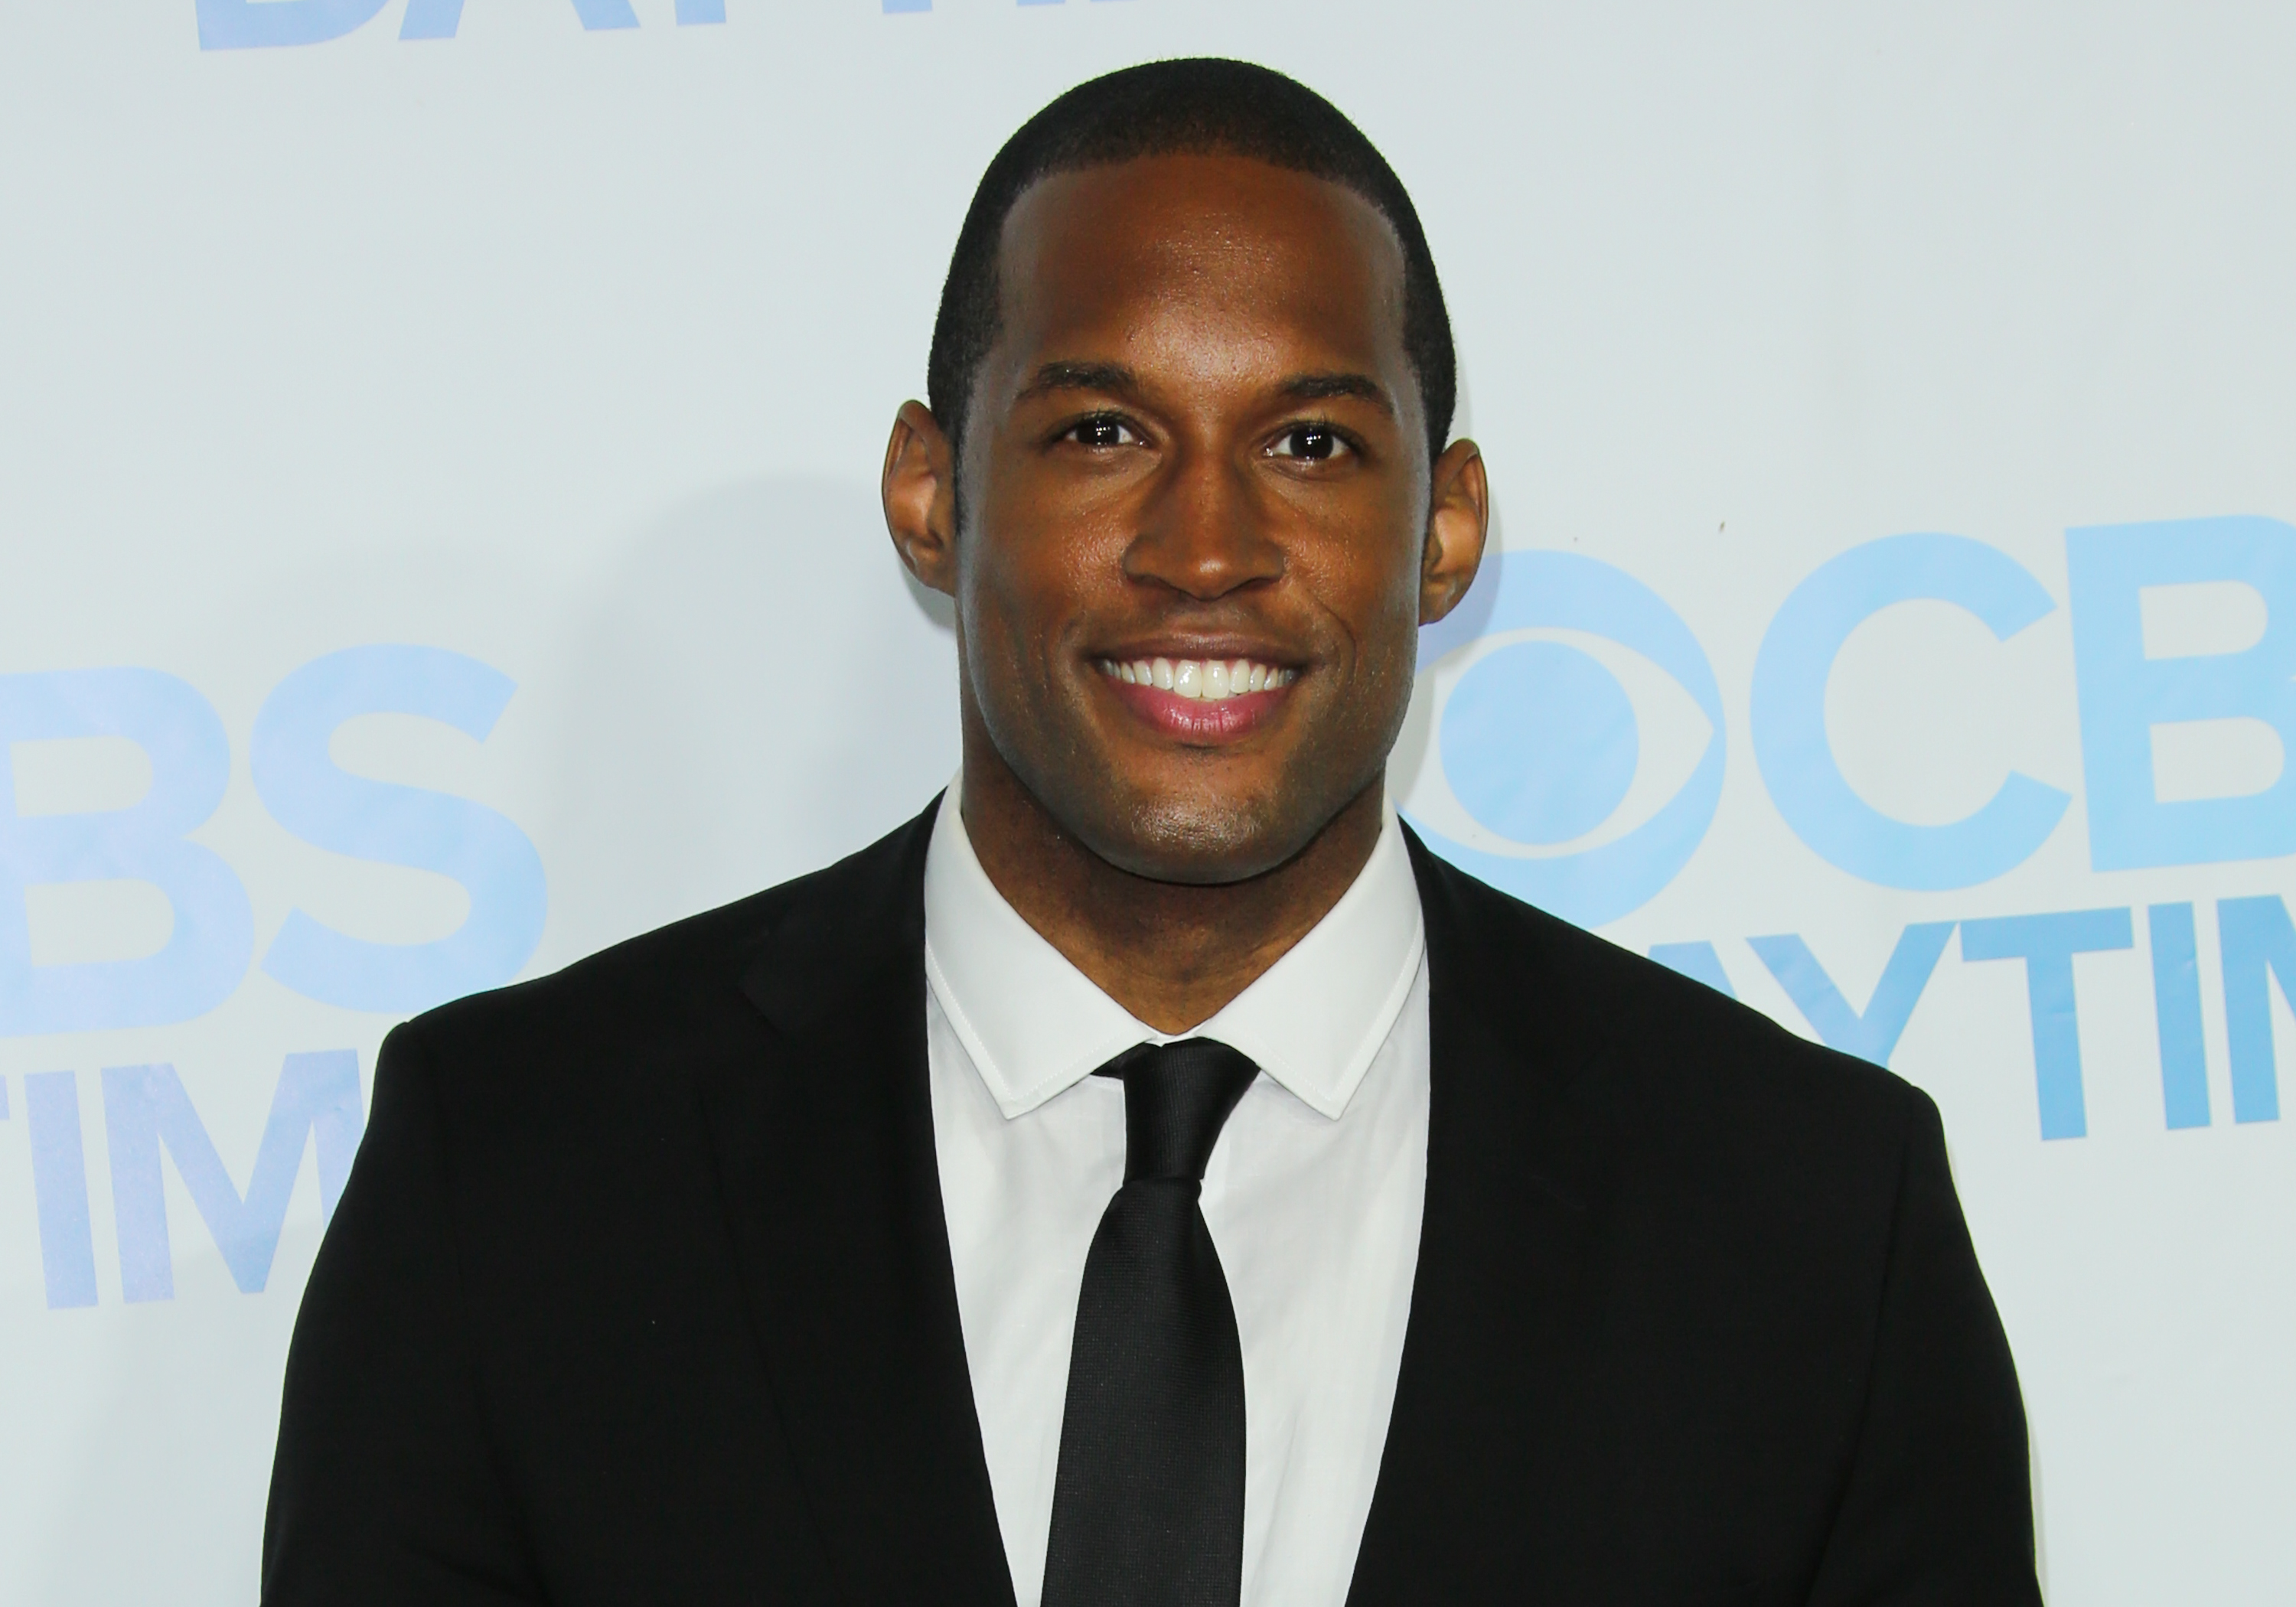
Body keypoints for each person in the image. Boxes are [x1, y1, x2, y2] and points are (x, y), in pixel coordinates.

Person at [261, 57, 2040, 1607]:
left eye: (1319, 446)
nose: (1208, 546)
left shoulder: (1807, 1223)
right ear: (932, 490)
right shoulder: (513, 1178)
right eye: (1105, 430)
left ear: (1448, 527)